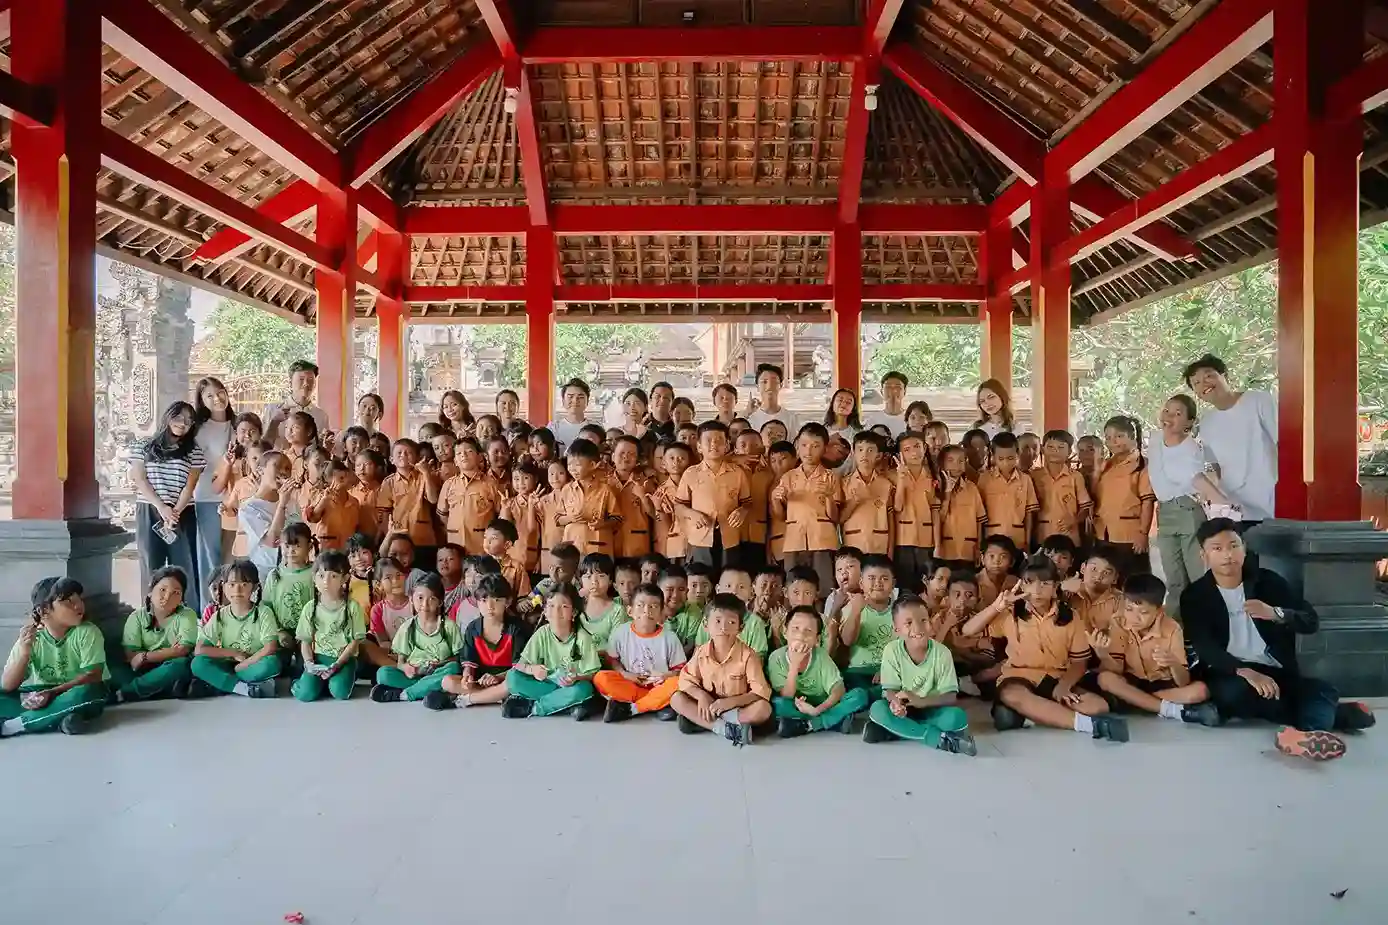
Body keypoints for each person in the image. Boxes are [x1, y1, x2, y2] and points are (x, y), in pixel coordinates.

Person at [1180, 518, 1374, 760]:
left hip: (1275, 669)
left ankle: (1307, 735)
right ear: (1204, 555)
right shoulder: (1195, 595)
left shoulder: (1268, 583)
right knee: (1235, 694)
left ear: (1244, 548)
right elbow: (1204, 646)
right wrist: (1244, 671)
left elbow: (1310, 621)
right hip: (1230, 672)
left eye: (1233, 545)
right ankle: (1338, 716)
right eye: (1217, 548)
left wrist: (1277, 613)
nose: (1227, 554)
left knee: (1322, 689)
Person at [960, 556, 1128, 742]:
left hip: (1055, 677)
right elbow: (968, 631)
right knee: (1011, 698)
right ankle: (1088, 725)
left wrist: (1064, 685)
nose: (1037, 590)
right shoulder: (1010, 613)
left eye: (1045, 583)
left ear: (1056, 587)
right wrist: (996, 607)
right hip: (1019, 677)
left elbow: (1079, 661)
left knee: (1097, 706)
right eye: (1030, 583)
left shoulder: (1070, 617)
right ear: (1022, 586)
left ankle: (1039, 713)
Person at [1091, 573, 1220, 726]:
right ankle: (1172, 710)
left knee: (1200, 690)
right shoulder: (1118, 622)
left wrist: (1173, 663)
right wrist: (1103, 655)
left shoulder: (1172, 629)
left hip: (1162, 683)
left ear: (1160, 610)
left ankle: (1134, 701)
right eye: (1129, 609)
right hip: (1131, 680)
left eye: (1143, 613)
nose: (1134, 617)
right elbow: (1117, 670)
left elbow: (1183, 682)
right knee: (1105, 678)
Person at [863, 594, 976, 754]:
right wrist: (896, 704)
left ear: (930, 623)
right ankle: (938, 739)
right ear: (897, 630)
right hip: (904, 711)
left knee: (957, 717)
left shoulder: (942, 653)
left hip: (932, 708)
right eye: (908, 623)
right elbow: (890, 690)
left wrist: (921, 701)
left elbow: (950, 697)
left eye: (923, 620)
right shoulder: (892, 650)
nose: (917, 628)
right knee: (877, 709)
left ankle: (896, 732)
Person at [1149, 394, 1227, 615]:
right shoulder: (1155, 440)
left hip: (1188, 510)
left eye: (1177, 413)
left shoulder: (1192, 447)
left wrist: (1221, 500)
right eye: (1167, 410)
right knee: (1174, 579)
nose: (1169, 416)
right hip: (1164, 511)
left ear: (1190, 422)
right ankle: (1177, 633)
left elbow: (1198, 478)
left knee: (1198, 576)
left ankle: (1206, 630)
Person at [0, 577, 108, 736]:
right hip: (44, 693)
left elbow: (94, 676)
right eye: (68, 602)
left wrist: (53, 693)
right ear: (44, 611)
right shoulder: (32, 637)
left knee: (87, 693)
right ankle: (58, 719)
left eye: (79, 599)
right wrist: (24, 653)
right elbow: (8, 685)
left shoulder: (87, 632)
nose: (79, 606)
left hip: (74, 691)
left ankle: (11, 726)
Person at [1183, 354, 1277, 527]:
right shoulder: (1206, 423)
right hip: (1236, 510)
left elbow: (1284, 444)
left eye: (1209, 376)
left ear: (1224, 375)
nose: (1204, 384)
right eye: (1196, 383)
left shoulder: (1258, 400)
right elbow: (1214, 467)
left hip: (1271, 504)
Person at [671, 593, 773, 746]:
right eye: (717, 621)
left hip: (737, 708)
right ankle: (724, 728)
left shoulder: (748, 656)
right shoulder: (701, 653)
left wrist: (731, 703)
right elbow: (686, 681)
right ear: (706, 625)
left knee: (764, 709)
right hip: (709, 704)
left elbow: (760, 692)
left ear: (741, 628)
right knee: (676, 699)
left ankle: (703, 722)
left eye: (731, 622)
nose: (723, 628)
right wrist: (701, 697)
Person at [129, 400, 205, 588]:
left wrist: (174, 512)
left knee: (184, 565)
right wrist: (161, 507)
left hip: (182, 512)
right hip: (150, 509)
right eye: (179, 417)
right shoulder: (143, 446)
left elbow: (190, 486)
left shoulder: (194, 451)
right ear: (168, 417)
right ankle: (150, 613)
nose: (183, 423)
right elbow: (140, 479)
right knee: (150, 565)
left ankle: (186, 613)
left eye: (189, 420)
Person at [503, 583, 601, 720]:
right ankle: (565, 705)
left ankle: (535, 708)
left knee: (584, 689)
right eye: (551, 606)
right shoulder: (542, 633)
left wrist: (577, 677)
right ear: (545, 610)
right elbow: (519, 665)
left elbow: (593, 674)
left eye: (564, 607)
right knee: (512, 678)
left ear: (574, 613)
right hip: (547, 685)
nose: (556, 611)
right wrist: (533, 669)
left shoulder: (583, 638)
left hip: (570, 687)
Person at [189, 559, 282, 698]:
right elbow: (200, 649)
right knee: (198, 663)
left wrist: (243, 665)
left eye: (244, 584)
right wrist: (232, 653)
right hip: (228, 663)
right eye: (231, 584)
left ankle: (221, 685)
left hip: (252, 663)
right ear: (224, 586)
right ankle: (243, 688)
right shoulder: (219, 615)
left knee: (272, 664)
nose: (237, 590)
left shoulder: (263, 612)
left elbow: (270, 648)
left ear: (255, 587)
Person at [594, 583, 686, 722]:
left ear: (662, 613)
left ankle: (633, 709)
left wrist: (665, 675)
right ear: (630, 611)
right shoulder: (620, 633)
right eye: (640, 605)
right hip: (631, 684)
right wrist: (625, 674)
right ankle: (655, 704)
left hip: (658, 685)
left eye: (653, 606)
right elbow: (613, 660)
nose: (646, 611)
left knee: (678, 683)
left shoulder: (670, 638)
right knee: (601, 677)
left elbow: (680, 670)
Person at [770, 607, 868, 737]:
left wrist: (818, 710)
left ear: (817, 639)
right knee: (777, 704)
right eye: (795, 629)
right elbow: (787, 695)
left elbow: (838, 689)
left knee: (859, 696)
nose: (801, 635)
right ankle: (834, 721)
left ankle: (811, 724)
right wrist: (794, 665)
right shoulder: (776, 657)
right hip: (796, 706)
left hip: (823, 704)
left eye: (808, 631)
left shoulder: (820, 655)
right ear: (785, 632)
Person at [369, 573, 462, 703]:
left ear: (440, 602)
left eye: (432, 599)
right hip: (415, 676)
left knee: (453, 668)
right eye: (420, 598)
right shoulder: (407, 628)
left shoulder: (448, 626)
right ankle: (427, 689)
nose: (425, 604)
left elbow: (458, 658)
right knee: (383, 674)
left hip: (438, 673)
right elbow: (400, 663)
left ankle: (405, 694)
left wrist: (439, 664)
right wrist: (407, 668)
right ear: (411, 599)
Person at [110, 566, 197, 703]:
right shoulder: (137, 617)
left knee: (179, 665)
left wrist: (145, 656)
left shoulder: (186, 615)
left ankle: (127, 693)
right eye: (163, 590)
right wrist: (170, 651)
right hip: (141, 669)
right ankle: (156, 689)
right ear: (151, 591)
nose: (167, 597)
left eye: (176, 593)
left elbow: (182, 650)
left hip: (168, 667)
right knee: (111, 672)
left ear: (181, 599)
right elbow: (132, 656)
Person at [674, 421, 753, 573]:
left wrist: (742, 511)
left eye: (719, 440)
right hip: (700, 537)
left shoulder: (737, 473)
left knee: (728, 576)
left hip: (729, 536)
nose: (713, 445)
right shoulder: (691, 473)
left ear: (727, 445)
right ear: (698, 446)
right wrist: (693, 514)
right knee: (701, 577)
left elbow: (747, 502)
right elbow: (678, 506)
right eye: (708, 440)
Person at [291, 550, 368, 702]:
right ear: (314, 578)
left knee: (340, 693)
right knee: (305, 694)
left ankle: (332, 682)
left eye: (333, 576)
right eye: (321, 576)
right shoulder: (310, 608)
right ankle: (307, 682)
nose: (326, 581)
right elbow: (305, 641)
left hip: (343, 659)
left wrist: (337, 664)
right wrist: (309, 663)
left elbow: (354, 642)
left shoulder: (352, 607)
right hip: (319, 659)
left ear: (345, 578)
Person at [775, 423, 843, 591]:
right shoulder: (788, 477)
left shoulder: (831, 477)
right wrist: (775, 500)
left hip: (822, 540)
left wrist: (828, 497)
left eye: (815, 446)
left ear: (824, 449)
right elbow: (779, 516)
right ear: (797, 445)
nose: (808, 451)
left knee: (823, 588)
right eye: (804, 445)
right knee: (793, 588)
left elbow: (835, 517)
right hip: (793, 541)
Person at [190, 377, 234, 609]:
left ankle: (231, 606)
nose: (217, 398)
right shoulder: (201, 430)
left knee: (231, 556)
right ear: (202, 401)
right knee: (211, 556)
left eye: (220, 392)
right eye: (209, 396)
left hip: (234, 498)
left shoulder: (237, 424)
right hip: (208, 497)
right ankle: (210, 609)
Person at [1094, 416, 1155, 576]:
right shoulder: (1105, 465)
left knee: (1133, 583)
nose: (1113, 442)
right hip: (1103, 533)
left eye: (1119, 436)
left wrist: (1143, 534)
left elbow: (1147, 503)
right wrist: (1095, 471)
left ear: (1132, 437)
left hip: (1130, 536)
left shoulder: (1142, 465)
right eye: (1108, 438)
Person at [839, 553, 898, 696]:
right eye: (871, 578)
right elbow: (847, 641)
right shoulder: (851, 608)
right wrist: (856, 612)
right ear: (861, 583)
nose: (878, 583)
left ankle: (871, 698)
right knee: (855, 688)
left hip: (891, 670)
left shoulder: (901, 611)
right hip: (859, 671)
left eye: (884, 579)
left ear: (893, 584)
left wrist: (887, 669)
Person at [377, 438, 441, 567]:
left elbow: (433, 499)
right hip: (399, 541)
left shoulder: (425, 476)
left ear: (417, 458)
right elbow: (384, 515)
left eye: (408, 453)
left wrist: (426, 473)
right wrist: (389, 538)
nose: (403, 456)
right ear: (391, 459)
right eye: (399, 453)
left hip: (423, 539)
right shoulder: (389, 482)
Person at [437, 437, 502, 555]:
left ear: (479, 457)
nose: (464, 455)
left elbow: (500, 515)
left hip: (482, 548)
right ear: (455, 461)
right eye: (459, 453)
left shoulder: (491, 484)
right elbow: (443, 515)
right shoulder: (449, 484)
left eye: (469, 451)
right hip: (455, 547)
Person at [977, 432, 1039, 553]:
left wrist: (1027, 541)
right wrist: (979, 543)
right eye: (1001, 459)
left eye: (1010, 458)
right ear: (993, 456)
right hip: (992, 538)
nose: (1005, 462)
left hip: (1017, 538)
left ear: (1018, 454)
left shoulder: (1025, 480)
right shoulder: (984, 479)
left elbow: (1029, 514)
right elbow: (978, 514)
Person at [891, 431, 937, 592]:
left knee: (926, 586)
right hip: (903, 540)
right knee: (905, 587)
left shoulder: (933, 476)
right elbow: (897, 507)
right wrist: (902, 481)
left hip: (927, 540)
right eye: (907, 449)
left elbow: (936, 510)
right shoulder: (893, 476)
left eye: (917, 446)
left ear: (925, 447)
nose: (914, 452)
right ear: (900, 454)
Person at [558, 438, 621, 556]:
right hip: (572, 546)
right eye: (569, 464)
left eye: (577, 465)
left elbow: (617, 518)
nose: (572, 469)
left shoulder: (604, 489)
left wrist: (602, 523)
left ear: (592, 465)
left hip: (598, 547)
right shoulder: (567, 489)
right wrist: (571, 518)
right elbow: (558, 519)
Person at [1030, 430, 1091, 549]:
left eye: (1061, 447)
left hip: (1068, 536)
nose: (1055, 451)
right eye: (1050, 447)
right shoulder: (1033, 476)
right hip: (1041, 535)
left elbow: (1085, 507)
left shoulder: (1075, 477)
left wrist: (1074, 520)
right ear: (1042, 449)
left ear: (1069, 452)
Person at [841, 432, 893, 556]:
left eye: (870, 450)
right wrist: (855, 501)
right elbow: (840, 518)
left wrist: (891, 551)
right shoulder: (844, 483)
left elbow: (891, 520)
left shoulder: (886, 485)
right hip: (852, 545)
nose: (864, 454)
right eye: (860, 449)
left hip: (879, 546)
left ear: (879, 455)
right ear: (853, 453)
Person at [934, 445, 986, 567]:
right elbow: (938, 519)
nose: (957, 465)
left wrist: (978, 547)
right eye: (951, 460)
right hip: (946, 550)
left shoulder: (972, 488)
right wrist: (947, 493)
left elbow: (979, 520)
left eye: (961, 461)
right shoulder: (936, 488)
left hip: (968, 550)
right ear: (941, 464)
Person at [265, 360, 330, 449]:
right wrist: (274, 422)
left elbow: (321, 449)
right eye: (301, 379)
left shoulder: (321, 416)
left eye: (311, 379)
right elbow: (263, 445)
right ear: (290, 382)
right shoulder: (273, 410)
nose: (306, 384)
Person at [578, 553, 629, 648]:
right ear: (581, 580)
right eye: (588, 576)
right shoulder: (576, 607)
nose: (594, 582)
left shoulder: (617, 611)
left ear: (610, 580)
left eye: (601, 576)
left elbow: (618, 646)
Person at [549, 378, 592, 448]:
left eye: (580, 397)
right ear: (563, 401)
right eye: (570, 397)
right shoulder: (553, 428)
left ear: (587, 401)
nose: (575, 400)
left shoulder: (596, 428)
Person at [864, 371, 909, 436]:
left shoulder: (911, 419)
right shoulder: (872, 420)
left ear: (904, 391)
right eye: (888, 387)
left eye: (897, 387)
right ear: (881, 391)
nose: (893, 390)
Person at [745, 363, 787, 433]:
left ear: (781, 385)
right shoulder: (750, 420)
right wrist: (746, 415)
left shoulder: (791, 418)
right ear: (757, 386)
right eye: (764, 382)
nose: (769, 386)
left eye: (774, 381)